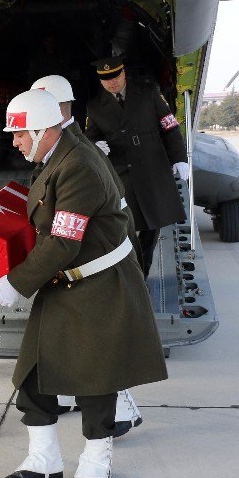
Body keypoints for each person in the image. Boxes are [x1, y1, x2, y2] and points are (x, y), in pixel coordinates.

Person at [0, 89, 167, 478]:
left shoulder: (79, 166)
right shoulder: (56, 158)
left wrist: (18, 281)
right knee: (33, 375)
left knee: (95, 379)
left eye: (19, 135)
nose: (14, 143)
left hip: (98, 284)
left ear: (45, 130)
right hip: (66, 281)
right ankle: (43, 458)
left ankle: (96, 459)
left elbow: (64, 241)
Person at [31, 75, 144, 434]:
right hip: (108, 245)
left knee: (96, 342)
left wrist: (21, 279)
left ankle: (118, 411)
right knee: (95, 343)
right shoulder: (71, 144)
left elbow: (68, 234)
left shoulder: (76, 153)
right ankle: (118, 408)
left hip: (101, 255)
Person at [84, 57, 189, 276]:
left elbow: (170, 126)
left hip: (152, 167)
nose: (112, 82)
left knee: (153, 224)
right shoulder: (94, 107)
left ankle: (142, 271)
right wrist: (95, 145)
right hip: (122, 173)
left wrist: (179, 157)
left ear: (124, 73)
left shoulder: (149, 92)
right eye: (106, 79)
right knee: (127, 225)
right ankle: (132, 269)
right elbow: (89, 137)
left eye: (115, 76)